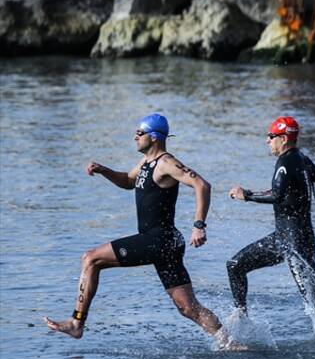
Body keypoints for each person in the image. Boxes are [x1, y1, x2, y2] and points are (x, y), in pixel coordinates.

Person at [45, 115, 231, 345]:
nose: (135, 137)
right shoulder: (146, 163)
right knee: (188, 307)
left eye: (139, 133)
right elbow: (127, 181)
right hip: (166, 242)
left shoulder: (165, 163)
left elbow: (202, 185)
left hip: (159, 239)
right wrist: (105, 170)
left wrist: (199, 225)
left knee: (90, 258)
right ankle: (230, 342)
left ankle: (76, 323)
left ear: (153, 137)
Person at [227, 116, 315, 335]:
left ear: (283, 139)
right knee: (235, 265)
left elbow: (276, 195)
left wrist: (246, 196)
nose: (267, 141)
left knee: (314, 295)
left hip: (294, 244)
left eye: (271, 136)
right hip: (287, 238)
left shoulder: (285, 162)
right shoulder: (301, 159)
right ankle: (241, 316)